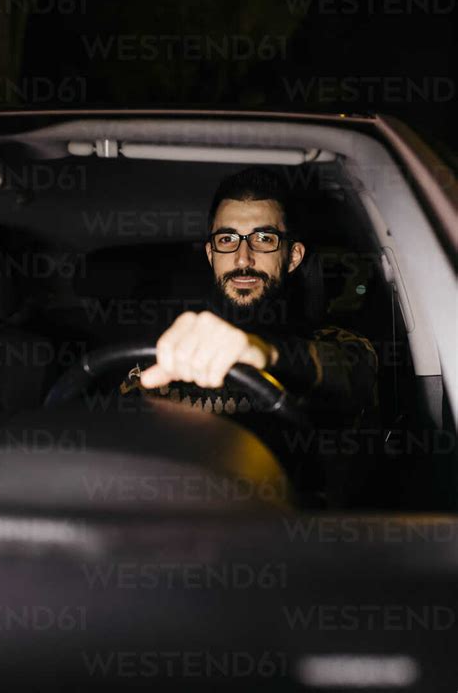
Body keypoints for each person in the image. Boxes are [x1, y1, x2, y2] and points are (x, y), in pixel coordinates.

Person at [122, 167, 378, 502]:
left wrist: (266, 353)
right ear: (211, 255)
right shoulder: (161, 356)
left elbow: (351, 372)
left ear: (293, 257)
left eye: (264, 238)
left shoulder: (336, 343)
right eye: (227, 239)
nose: (243, 258)